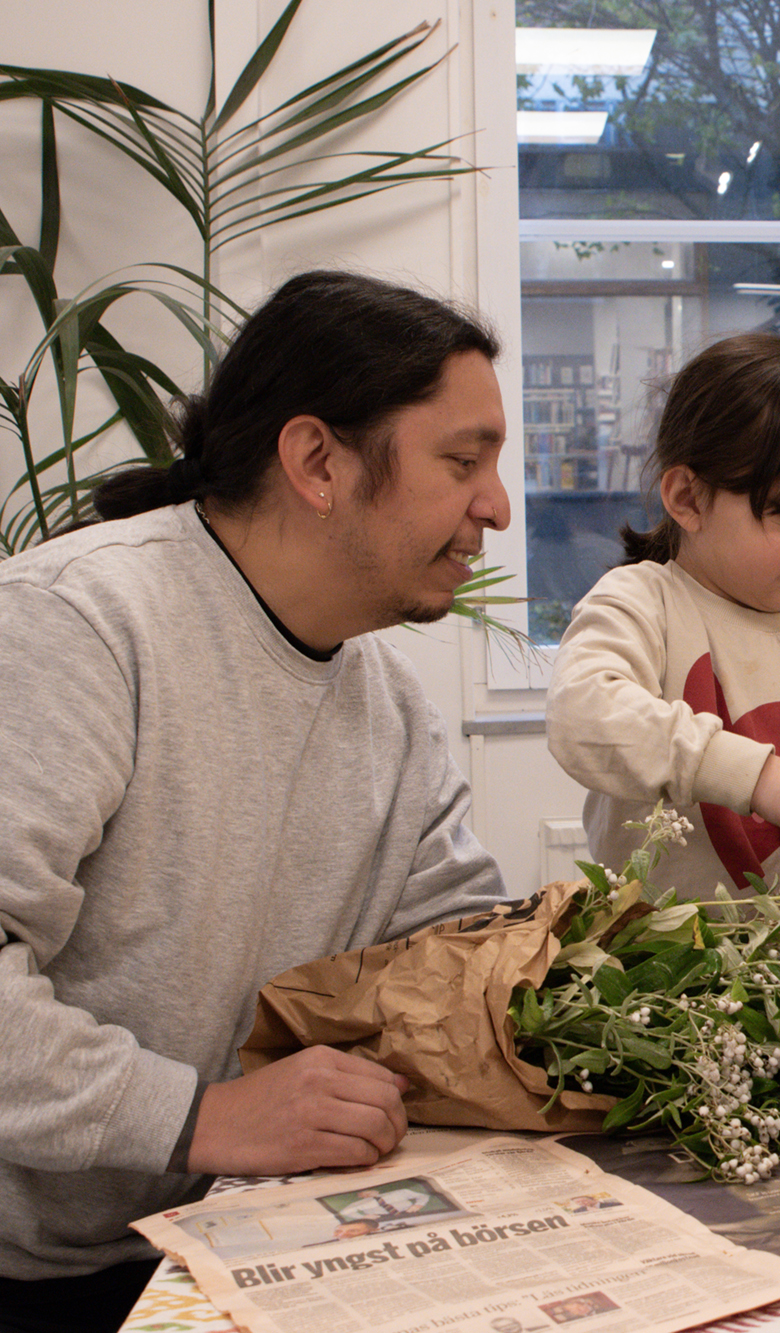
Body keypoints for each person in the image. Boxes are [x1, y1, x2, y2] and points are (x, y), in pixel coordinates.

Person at [0, 271, 518, 1330]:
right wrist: (197, 1117)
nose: (497, 507)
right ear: (317, 461)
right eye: (462, 462)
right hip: (39, 1274)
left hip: (239, 1236)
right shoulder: (77, 626)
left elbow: (453, 956)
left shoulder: (387, 703)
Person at [546, 333, 780, 898]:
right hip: (652, 967)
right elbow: (583, 715)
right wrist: (760, 777)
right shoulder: (643, 603)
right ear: (688, 498)